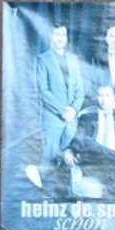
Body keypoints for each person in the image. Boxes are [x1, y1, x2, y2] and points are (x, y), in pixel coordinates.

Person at [27, 20, 84, 189]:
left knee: (70, 159)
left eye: (63, 34)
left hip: (72, 119)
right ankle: (46, 193)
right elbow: (43, 91)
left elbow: (80, 90)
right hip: (52, 119)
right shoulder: (42, 59)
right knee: (50, 159)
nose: (60, 38)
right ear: (50, 36)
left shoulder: (73, 60)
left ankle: (67, 194)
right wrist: (62, 111)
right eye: (57, 34)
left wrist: (74, 110)